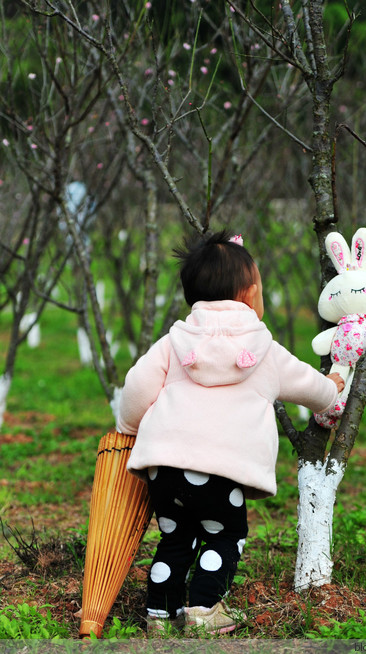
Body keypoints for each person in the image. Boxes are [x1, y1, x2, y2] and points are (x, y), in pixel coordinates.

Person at [117, 230, 345, 636]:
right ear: (250, 293)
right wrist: (333, 393)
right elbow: (310, 386)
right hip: (222, 471)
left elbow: (136, 387)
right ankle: (204, 610)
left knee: (175, 539)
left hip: (165, 467)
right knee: (225, 536)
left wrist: (129, 430)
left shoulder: (174, 341)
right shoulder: (265, 349)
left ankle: (160, 615)